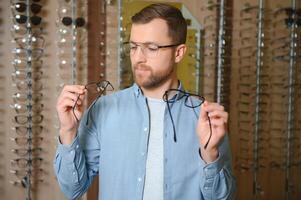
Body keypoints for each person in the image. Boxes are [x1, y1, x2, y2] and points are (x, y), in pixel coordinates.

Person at [54, 3, 236, 200]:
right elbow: (73, 189)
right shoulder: (103, 109)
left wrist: (210, 155)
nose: (138, 58)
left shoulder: (206, 118)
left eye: (151, 48)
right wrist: (68, 131)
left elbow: (222, 198)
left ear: (179, 52)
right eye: (133, 47)